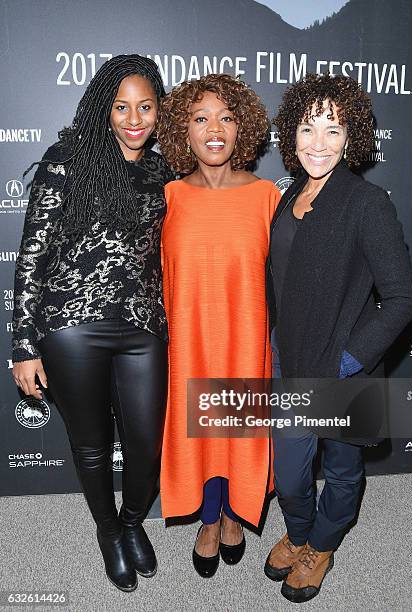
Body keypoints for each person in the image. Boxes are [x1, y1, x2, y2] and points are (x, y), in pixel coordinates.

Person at [11, 54, 173, 592]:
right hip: (71, 325)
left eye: (145, 106)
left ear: (158, 111)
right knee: (92, 445)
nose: (134, 118)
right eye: (122, 106)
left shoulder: (161, 168)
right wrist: (23, 346)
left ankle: (132, 521)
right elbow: (32, 253)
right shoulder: (68, 158)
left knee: (146, 445)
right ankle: (109, 532)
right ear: (104, 109)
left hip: (142, 327)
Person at [263, 73, 412, 603]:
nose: (318, 143)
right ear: (291, 135)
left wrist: (348, 361)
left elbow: (403, 298)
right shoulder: (290, 195)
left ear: (351, 136)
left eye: (333, 129)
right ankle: (300, 526)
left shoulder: (366, 201)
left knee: (344, 468)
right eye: (308, 129)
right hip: (290, 359)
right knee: (289, 472)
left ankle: (321, 546)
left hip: (343, 365)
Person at [157, 74, 281, 577]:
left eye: (226, 118)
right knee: (200, 431)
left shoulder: (267, 196)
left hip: (247, 340)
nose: (214, 129)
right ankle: (210, 519)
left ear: (242, 129)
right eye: (200, 117)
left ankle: (233, 513)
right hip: (188, 343)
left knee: (237, 430)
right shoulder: (166, 198)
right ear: (182, 131)